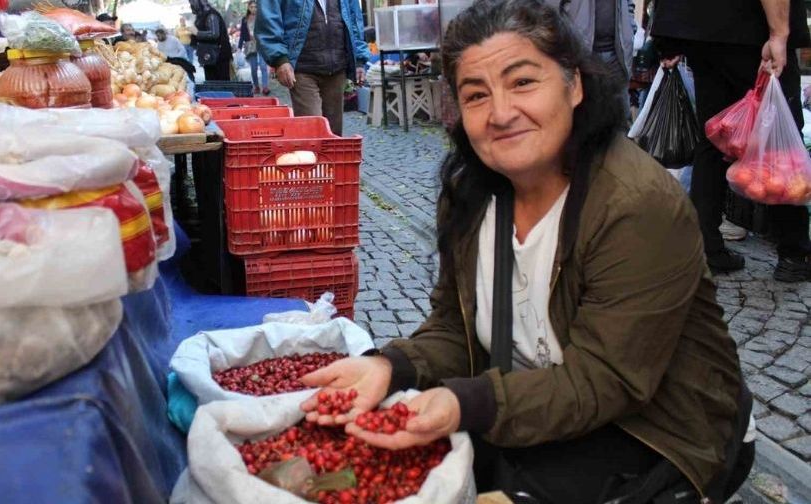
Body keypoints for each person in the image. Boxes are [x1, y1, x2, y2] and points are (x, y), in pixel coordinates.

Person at [297, 0, 754, 501]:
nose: (501, 113)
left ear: (575, 85)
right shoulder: (470, 191)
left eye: (523, 82)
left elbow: (607, 380)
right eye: (476, 95)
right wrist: (390, 367)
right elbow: (455, 326)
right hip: (533, 398)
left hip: (656, 428)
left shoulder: (635, 203)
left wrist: (463, 403)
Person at [651, 0, 811, 281]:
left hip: (702, 30)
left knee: (713, 136)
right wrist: (778, 33)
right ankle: (794, 252)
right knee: (779, 143)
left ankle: (706, 247)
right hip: (749, 28)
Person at [256, 0, 371, 135]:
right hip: (302, 68)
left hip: (338, 67)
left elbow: (354, 20)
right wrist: (280, 60)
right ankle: (307, 156)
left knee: (333, 134)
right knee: (311, 131)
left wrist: (359, 59)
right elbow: (268, 19)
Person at [190, 0, 231, 81]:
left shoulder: (211, 15)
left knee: (221, 83)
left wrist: (197, 33)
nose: (191, 5)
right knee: (211, 82)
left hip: (218, 56)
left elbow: (214, 33)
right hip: (209, 56)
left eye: (192, 2)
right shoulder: (202, 16)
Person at [239, 1, 270, 95]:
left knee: (263, 66)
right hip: (250, 46)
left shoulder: (262, 18)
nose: (253, 9)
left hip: (261, 44)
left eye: (255, 7)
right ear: (248, 8)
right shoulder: (245, 19)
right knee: (253, 68)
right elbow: (242, 35)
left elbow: (267, 31)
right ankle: (256, 86)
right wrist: (239, 47)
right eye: (251, 7)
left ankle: (265, 87)